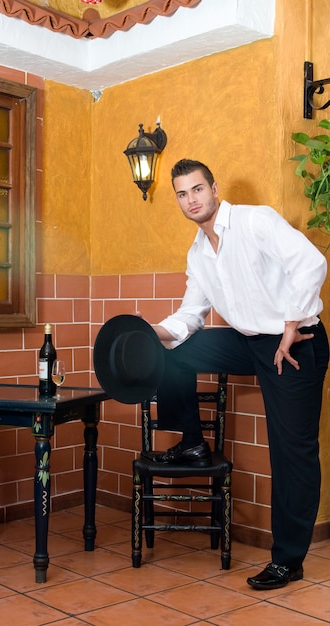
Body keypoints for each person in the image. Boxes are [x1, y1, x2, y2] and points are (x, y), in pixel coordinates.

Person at [148, 159, 329, 591]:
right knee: (176, 354)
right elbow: (189, 316)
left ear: (213, 189)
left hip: (295, 343)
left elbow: (312, 262)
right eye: (181, 194)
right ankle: (192, 443)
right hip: (251, 341)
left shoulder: (255, 221)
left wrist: (292, 323)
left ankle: (288, 560)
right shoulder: (197, 253)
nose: (190, 199)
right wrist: (145, 332)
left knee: (292, 452)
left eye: (196, 189)